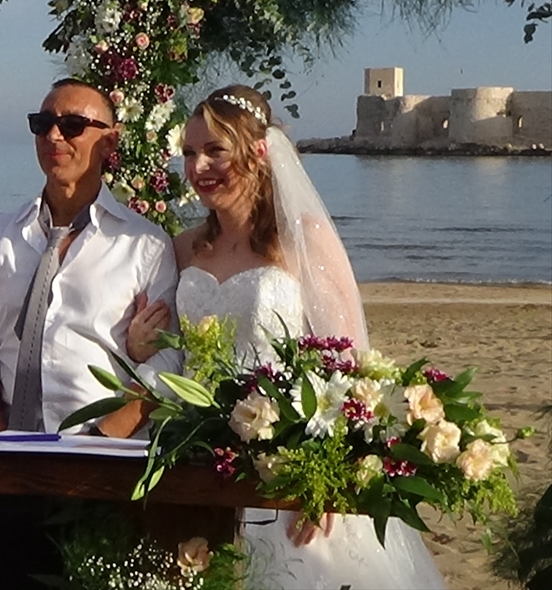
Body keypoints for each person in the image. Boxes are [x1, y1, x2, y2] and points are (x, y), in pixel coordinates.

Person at [172, 85, 445, 589]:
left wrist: (328, 481)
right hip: (205, 466)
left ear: (258, 151)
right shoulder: (184, 248)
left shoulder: (302, 237)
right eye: (189, 153)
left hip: (289, 468)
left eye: (214, 150)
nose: (198, 166)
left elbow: (349, 365)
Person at [0, 78, 181, 589]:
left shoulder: (144, 245)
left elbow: (166, 366)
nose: (54, 135)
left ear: (109, 141)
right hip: (10, 467)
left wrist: (101, 442)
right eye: (43, 123)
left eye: (72, 125)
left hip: (103, 470)